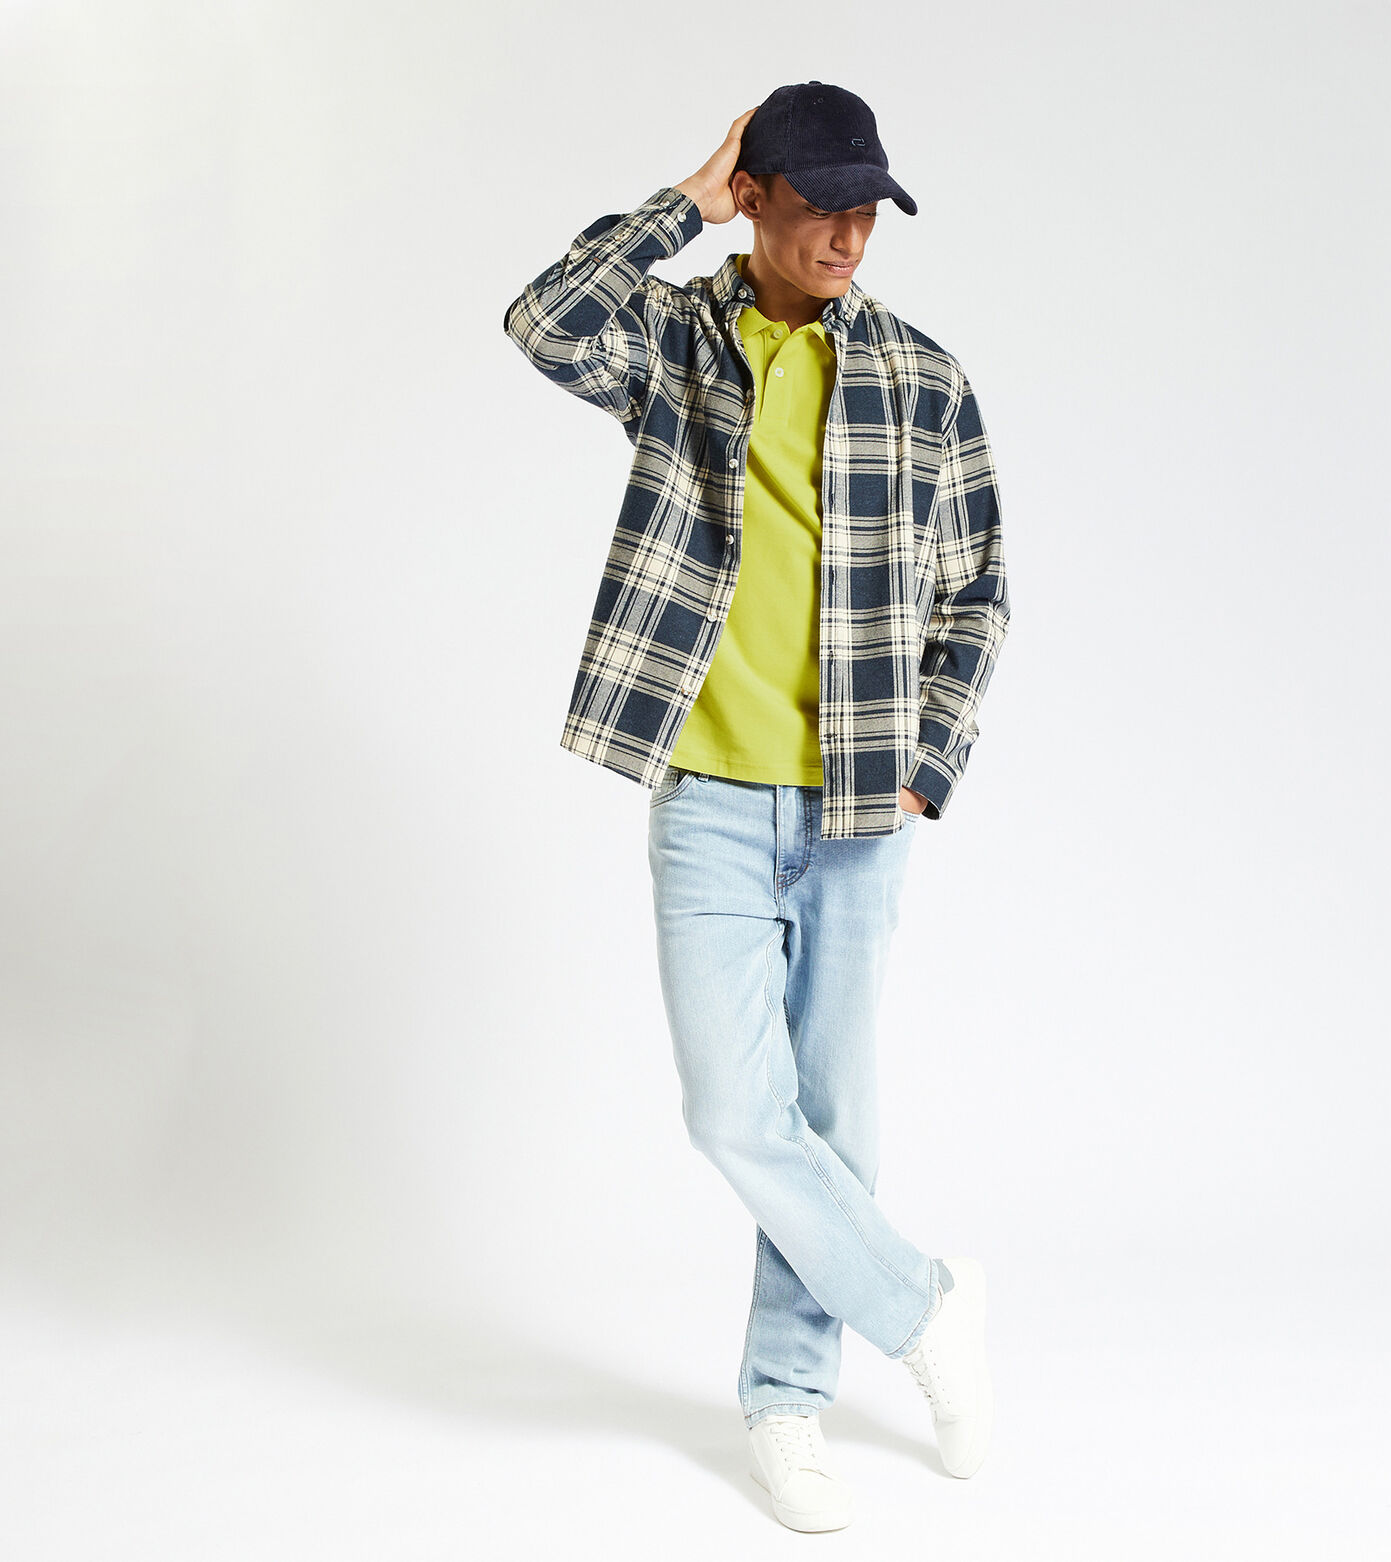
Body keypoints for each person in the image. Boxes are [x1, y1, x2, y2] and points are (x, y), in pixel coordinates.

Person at [503, 80, 1011, 1532]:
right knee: (736, 1112)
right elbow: (543, 320)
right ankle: (925, 1307)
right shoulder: (678, 342)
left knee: (831, 1123)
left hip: (858, 801)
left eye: (869, 211)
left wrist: (927, 761)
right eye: (821, 204)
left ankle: (787, 1402)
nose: (848, 233)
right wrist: (685, 199)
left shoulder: (923, 377)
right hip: (710, 795)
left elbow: (978, 586)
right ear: (760, 199)